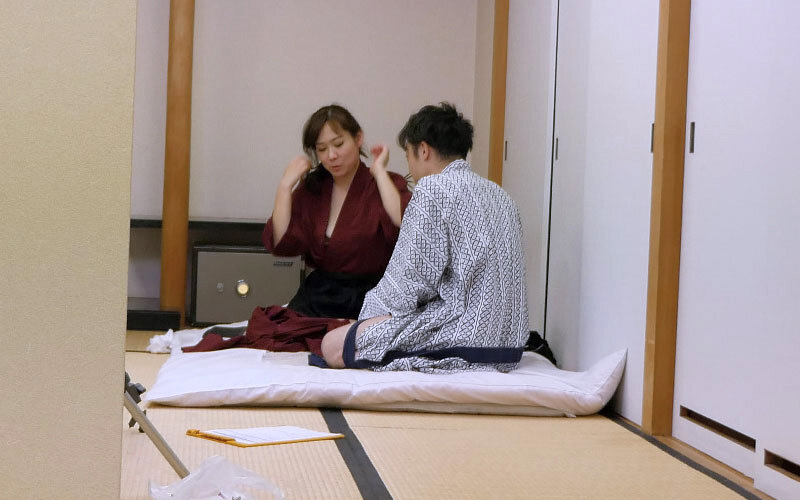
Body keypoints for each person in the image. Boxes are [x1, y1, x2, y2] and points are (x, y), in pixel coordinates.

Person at [319, 102, 529, 372]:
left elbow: (407, 283)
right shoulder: (502, 196)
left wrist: (366, 322)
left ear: (423, 149)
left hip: (464, 341)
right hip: (508, 347)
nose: (410, 166)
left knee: (333, 344)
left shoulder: (432, 189)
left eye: (408, 155)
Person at [263, 104, 412, 319]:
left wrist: (379, 172)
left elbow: (406, 224)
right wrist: (285, 186)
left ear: (358, 139)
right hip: (320, 295)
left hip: (371, 297)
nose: (331, 155)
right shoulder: (313, 188)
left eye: (339, 144)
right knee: (272, 329)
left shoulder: (385, 184)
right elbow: (281, 242)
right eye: (322, 149)